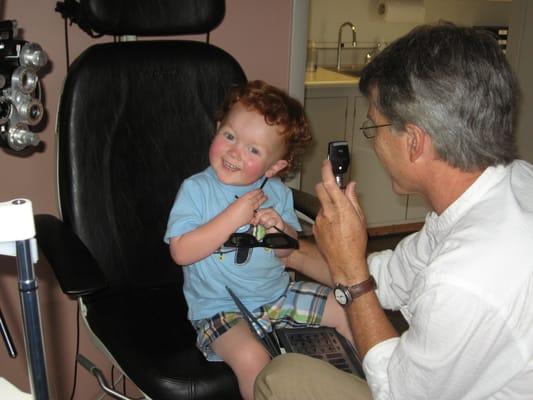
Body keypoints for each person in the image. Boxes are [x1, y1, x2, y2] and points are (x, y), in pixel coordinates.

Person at [254, 23, 533, 400]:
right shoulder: (507, 184)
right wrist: (296, 251)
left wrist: (351, 273)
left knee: (281, 376)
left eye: (375, 126)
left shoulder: (467, 275)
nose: (374, 138)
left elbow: (397, 393)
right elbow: (389, 280)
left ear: (415, 142)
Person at [164, 80, 353, 400]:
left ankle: (372, 386)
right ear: (217, 128)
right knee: (254, 360)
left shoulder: (276, 192)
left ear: (275, 166)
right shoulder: (196, 190)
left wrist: (281, 231)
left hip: (277, 296)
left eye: (253, 150)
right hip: (219, 310)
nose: (235, 152)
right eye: (229, 136)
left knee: (348, 310)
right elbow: (181, 252)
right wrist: (232, 218)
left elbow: (287, 253)